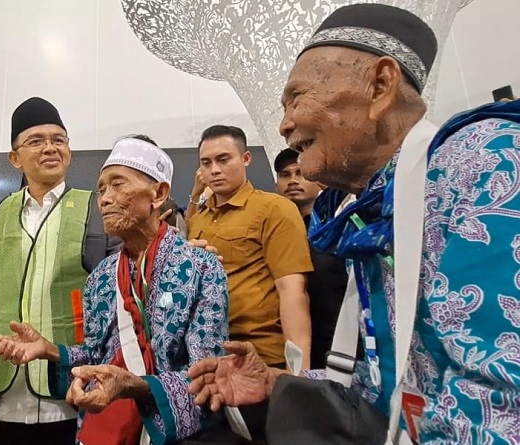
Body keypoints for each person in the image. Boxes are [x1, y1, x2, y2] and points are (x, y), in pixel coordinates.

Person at [188, 4, 520, 444]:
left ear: (380, 86)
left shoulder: (484, 165)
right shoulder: (381, 206)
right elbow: (394, 385)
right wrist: (275, 384)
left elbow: (498, 408)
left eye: (297, 98)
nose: (285, 124)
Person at [0, 136, 230, 445]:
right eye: (102, 189)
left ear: (159, 194)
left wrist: (135, 386)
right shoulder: (101, 277)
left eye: (118, 185)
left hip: (167, 432)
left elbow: (206, 373)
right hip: (104, 427)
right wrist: (50, 350)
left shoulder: (201, 267)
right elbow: (95, 354)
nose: (104, 199)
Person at [0, 97, 120, 445]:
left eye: (59, 139)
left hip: (72, 394)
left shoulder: (96, 210)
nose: (50, 148)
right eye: (36, 141)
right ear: (15, 157)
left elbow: (117, 307)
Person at [188, 125, 312, 371]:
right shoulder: (198, 219)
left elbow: (293, 291)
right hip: (206, 357)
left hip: (262, 357)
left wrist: (298, 373)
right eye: (206, 162)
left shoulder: (274, 209)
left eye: (223, 159)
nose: (214, 170)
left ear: (246, 159)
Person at [273, 148, 349, 369]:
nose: (293, 181)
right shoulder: (273, 232)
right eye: (285, 175)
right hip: (290, 348)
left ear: (319, 181)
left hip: (339, 344)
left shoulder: (339, 228)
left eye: (301, 173)